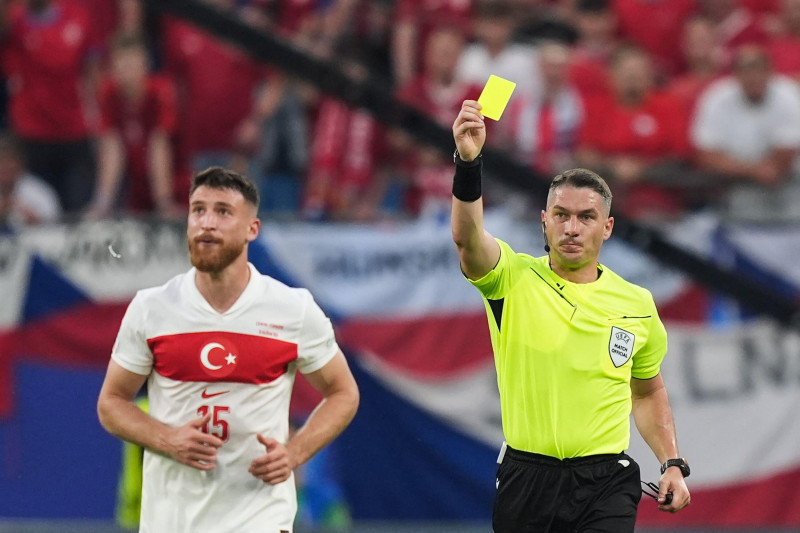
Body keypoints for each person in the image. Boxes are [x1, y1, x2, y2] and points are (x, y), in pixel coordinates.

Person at [450, 100, 691, 532]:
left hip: (606, 481)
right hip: (527, 479)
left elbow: (648, 392)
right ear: (545, 222)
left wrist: (672, 462)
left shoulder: (637, 303)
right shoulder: (512, 277)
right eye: (561, 216)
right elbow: (468, 241)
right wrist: (469, 164)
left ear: (608, 227)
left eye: (586, 217)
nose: (572, 228)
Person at [97, 166, 360, 532]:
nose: (207, 222)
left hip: (259, 519)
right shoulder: (150, 308)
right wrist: (169, 439)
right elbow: (111, 403)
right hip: (171, 522)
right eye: (198, 210)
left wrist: (295, 452)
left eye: (223, 211)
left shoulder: (292, 308)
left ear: (252, 229)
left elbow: (343, 392)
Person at [692, 44, 800, 222]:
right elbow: (706, 155)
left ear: (769, 71)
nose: (752, 77)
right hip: (732, 186)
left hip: (789, 186)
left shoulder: (788, 95)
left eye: (758, 70)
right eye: (746, 71)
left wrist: (743, 168)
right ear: (735, 74)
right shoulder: (716, 98)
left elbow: (779, 165)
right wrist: (752, 170)